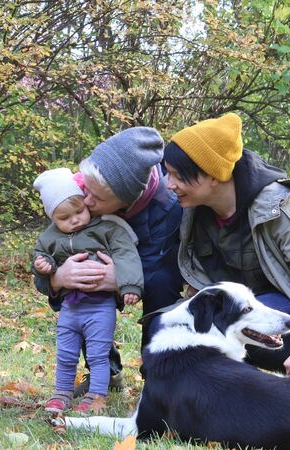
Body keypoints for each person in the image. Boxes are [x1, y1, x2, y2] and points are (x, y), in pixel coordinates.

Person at [158, 112, 290, 381]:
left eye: (178, 176)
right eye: (169, 174)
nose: (169, 184)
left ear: (212, 175)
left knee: (245, 313)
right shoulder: (192, 210)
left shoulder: (280, 206)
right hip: (239, 316)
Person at [34, 128, 185, 396]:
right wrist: (57, 279)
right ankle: (106, 371)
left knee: (162, 284)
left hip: (148, 271)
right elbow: (51, 247)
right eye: (85, 191)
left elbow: (155, 268)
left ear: (128, 200)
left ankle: (157, 376)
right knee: (83, 275)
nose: (87, 202)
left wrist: (119, 280)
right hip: (90, 282)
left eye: (98, 198)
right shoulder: (80, 192)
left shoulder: (167, 206)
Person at [32, 168, 144, 413]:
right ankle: (61, 393)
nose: (74, 220)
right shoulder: (49, 238)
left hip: (99, 306)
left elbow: (126, 255)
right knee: (65, 352)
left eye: (79, 211)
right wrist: (45, 266)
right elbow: (41, 257)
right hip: (70, 307)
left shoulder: (106, 229)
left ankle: (96, 397)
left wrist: (130, 284)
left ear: (85, 203)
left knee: (97, 354)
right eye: (64, 217)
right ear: (52, 218)